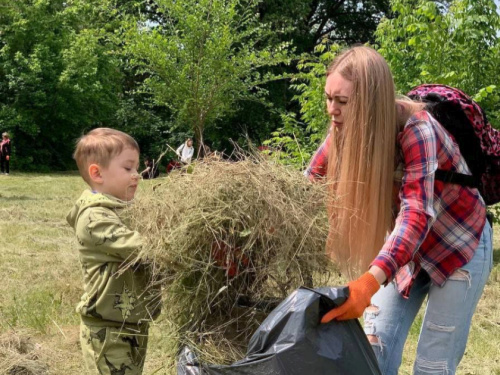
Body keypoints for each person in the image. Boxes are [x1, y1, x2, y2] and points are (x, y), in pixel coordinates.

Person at [305, 46, 491, 375]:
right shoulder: (345, 132)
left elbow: (416, 215)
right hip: (406, 253)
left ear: (371, 101)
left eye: (343, 102)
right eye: (328, 98)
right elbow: (304, 187)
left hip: (459, 245)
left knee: (432, 366)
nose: (331, 110)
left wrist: (367, 284)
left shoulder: (417, 129)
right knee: (372, 357)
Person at [66, 128, 161, 375]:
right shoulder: (94, 219)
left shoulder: (122, 212)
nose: (137, 175)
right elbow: (147, 249)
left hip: (133, 322)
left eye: (137, 168)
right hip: (107, 330)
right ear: (97, 173)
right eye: (128, 168)